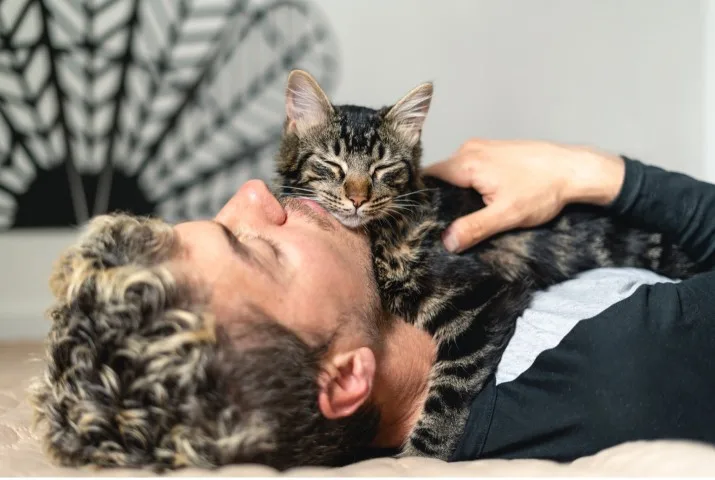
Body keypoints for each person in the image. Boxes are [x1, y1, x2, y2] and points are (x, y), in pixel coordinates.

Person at [30, 139, 715, 471]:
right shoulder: (620, 363)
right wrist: (596, 174)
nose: (254, 194)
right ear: (345, 376)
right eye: (254, 247)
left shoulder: (463, 299)